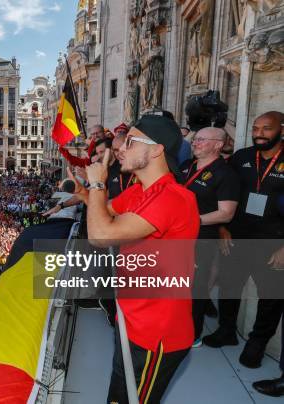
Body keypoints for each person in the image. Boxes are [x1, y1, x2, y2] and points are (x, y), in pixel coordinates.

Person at [84, 114, 200, 403]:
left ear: (158, 149)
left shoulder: (174, 197)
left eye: (132, 142)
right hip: (133, 319)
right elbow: (104, 211)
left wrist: (98, 184)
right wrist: (84, 190)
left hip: (155, 335)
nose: (121, 147)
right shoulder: (140, 191)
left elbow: (100, 235)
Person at [202, 111, 284, 370]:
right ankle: (226, 330)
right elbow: (226, 193)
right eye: (256, 128)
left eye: (266, 129)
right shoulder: (242, 157)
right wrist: (224, 228)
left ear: (281, 129)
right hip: (237, 237)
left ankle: (256, 343)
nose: (259, 133)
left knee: (271, 297)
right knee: (229, 285)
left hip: (274, 243)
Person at [180, 127, 240, 347]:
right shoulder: (186, 166)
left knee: (195, 287)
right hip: (177, 237)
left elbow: (226, 213)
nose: (195, 143)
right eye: (195, 139)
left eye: (201, 140)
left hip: (200, 239)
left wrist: (191, 221)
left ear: (218, 144)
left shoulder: (226, 174)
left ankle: (192, 334)